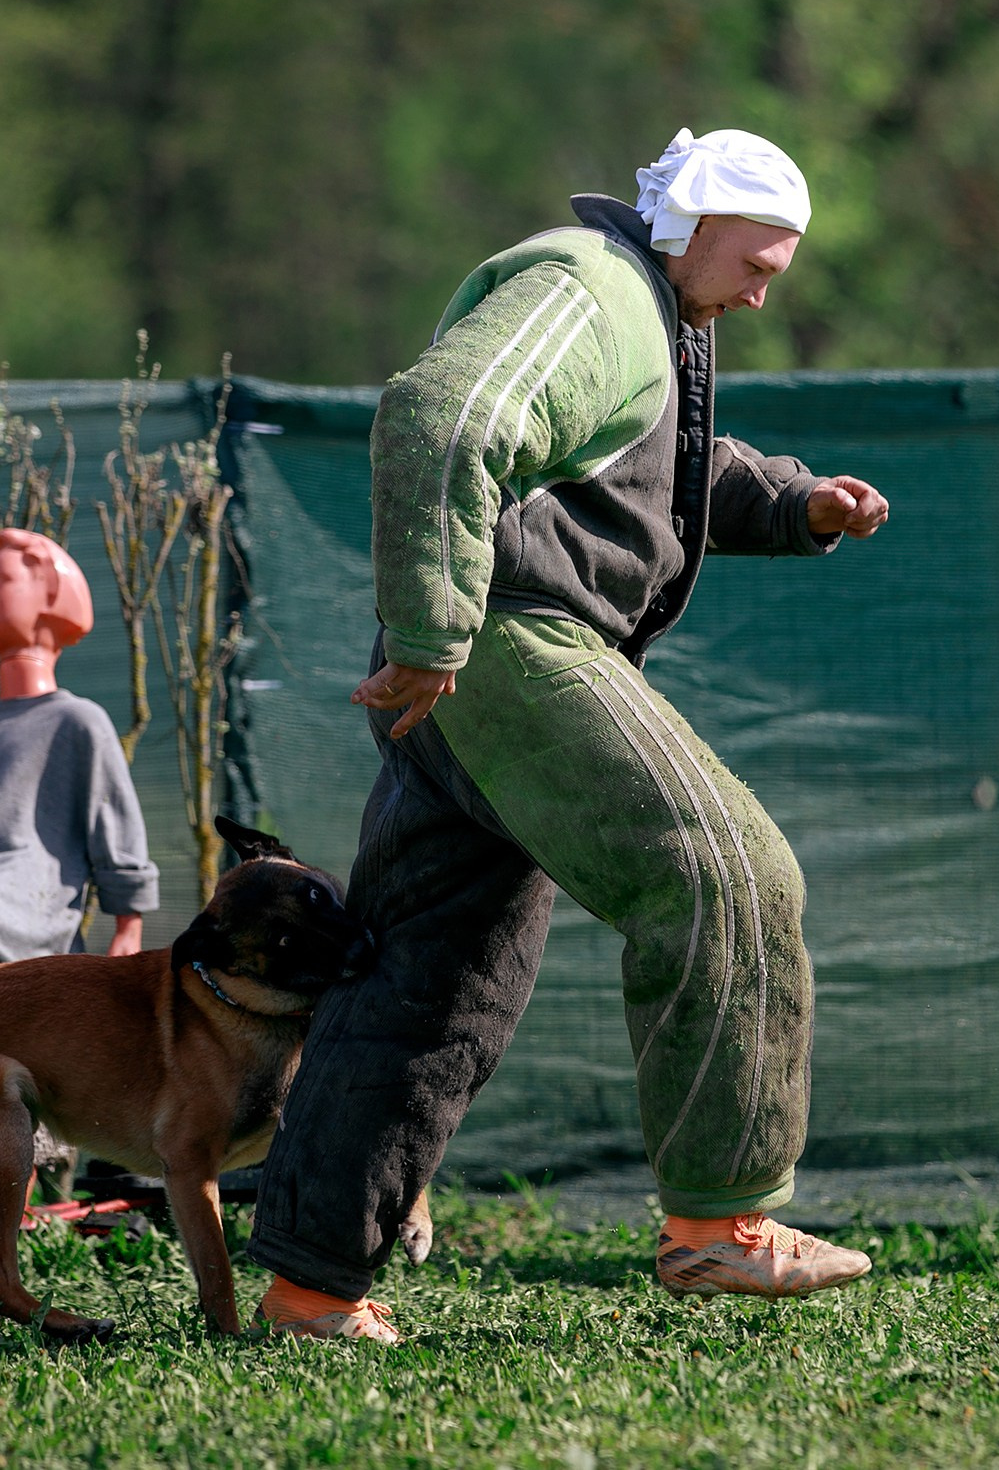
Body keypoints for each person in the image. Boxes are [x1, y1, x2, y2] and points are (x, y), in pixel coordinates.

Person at [247, 128, 892, 1342]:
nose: (762, 295)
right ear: (694, 224)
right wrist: (433, 629)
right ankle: (720, 1226)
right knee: (727, 874)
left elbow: (641, 472)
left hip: (471, 664)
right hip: (506, 644)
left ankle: (310, 1289)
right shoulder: (591, 286)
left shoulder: (652, 311)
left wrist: (791, 501)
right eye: (758, 265)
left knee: (428, 985)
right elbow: (443, 416)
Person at [0, 527, 160, 981]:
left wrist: (129, 927)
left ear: (50, 594)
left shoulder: (77, 722)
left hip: (27, 929)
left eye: (0, 581)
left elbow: (116, 826)